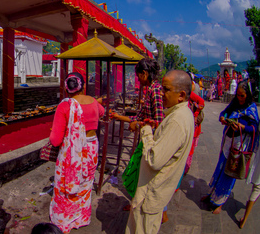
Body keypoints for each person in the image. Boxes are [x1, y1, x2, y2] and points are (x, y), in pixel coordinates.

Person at [125, 70, 194, 234]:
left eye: (166, 89)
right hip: (155, 192)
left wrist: (146, 130)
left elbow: (154, 160)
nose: (161, 93)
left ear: (181, 95)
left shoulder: (177, 120)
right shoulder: (180, 114)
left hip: (151, 193)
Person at [49, 72, 105, 233]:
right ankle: (81, 218)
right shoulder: (94, 102)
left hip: (72, 153)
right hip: (91, 149)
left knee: (67, 183)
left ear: (67, 89)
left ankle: (66, 220)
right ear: (83, 86)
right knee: (86, 182)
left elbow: (55, 140)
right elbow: (101, 112)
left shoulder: (65, 106)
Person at [111, 58, 164, 213]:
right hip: (145, 139)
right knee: (139, 173)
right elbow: (139, 117)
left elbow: (158, 122)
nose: (138, 80)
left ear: (145, 74)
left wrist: (139, 125)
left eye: (138, 76)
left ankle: (145, 206)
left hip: (152, 142)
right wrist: (119, 117)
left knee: (141, 174)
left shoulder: (155, 90)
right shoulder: (150, 90)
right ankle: (138, 202)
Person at [202, 80, 259, 214]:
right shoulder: (234, 103)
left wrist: (243, 127)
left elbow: (254, 128)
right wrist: (223, 119)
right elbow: (224, 113)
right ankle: (212, 195)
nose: (239, 98)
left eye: (242, 96)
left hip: (239, 144)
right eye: (238, 95)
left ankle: (220, 202)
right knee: (220, 168)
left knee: (229, 172)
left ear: (248, 95)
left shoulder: (251, 108)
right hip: (228, 140)